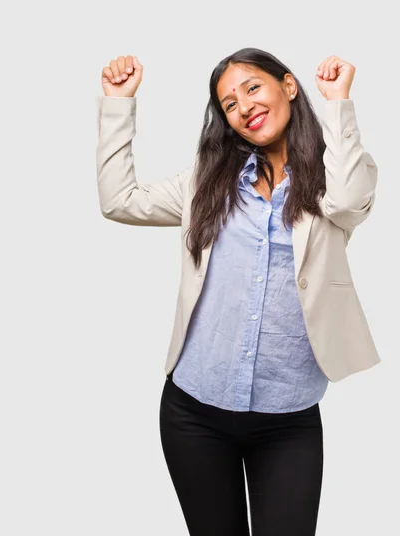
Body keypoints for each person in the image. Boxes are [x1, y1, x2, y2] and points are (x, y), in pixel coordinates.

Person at [95, 47, 381, 536]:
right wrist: (118, 105)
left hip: (287, 419)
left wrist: (338, 103)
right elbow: (120, 201)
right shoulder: (206, 183)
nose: (243, 106)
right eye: (229, 104)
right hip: (193, 413)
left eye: (252, 88)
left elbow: (352, 199)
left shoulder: (334, 180)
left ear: (288, 86)